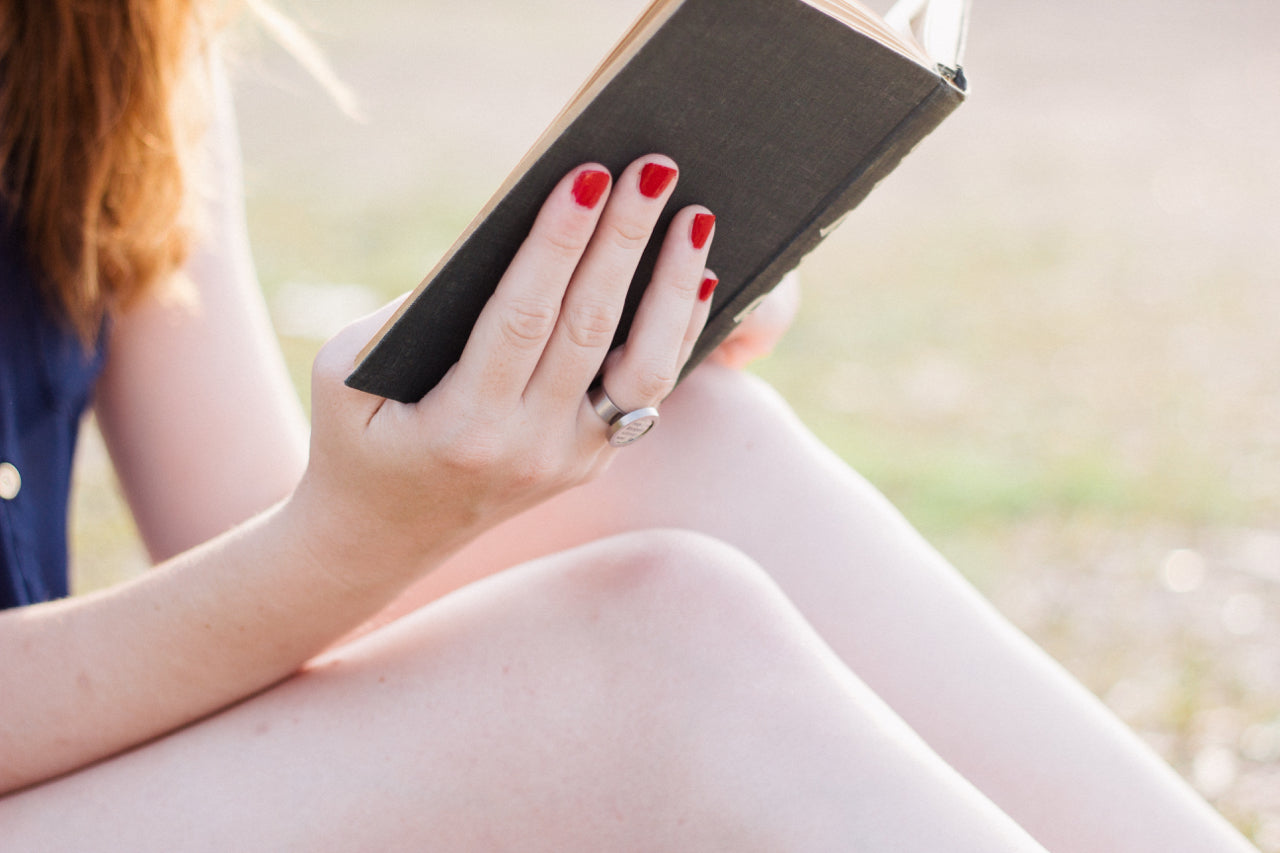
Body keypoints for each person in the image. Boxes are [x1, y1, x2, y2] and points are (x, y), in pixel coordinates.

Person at [0, 3, 1260, 850]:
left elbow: (231, 520)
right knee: (645, 649)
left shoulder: (101, 32)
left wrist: (556, 360)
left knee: (693, 450)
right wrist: (340, 540)